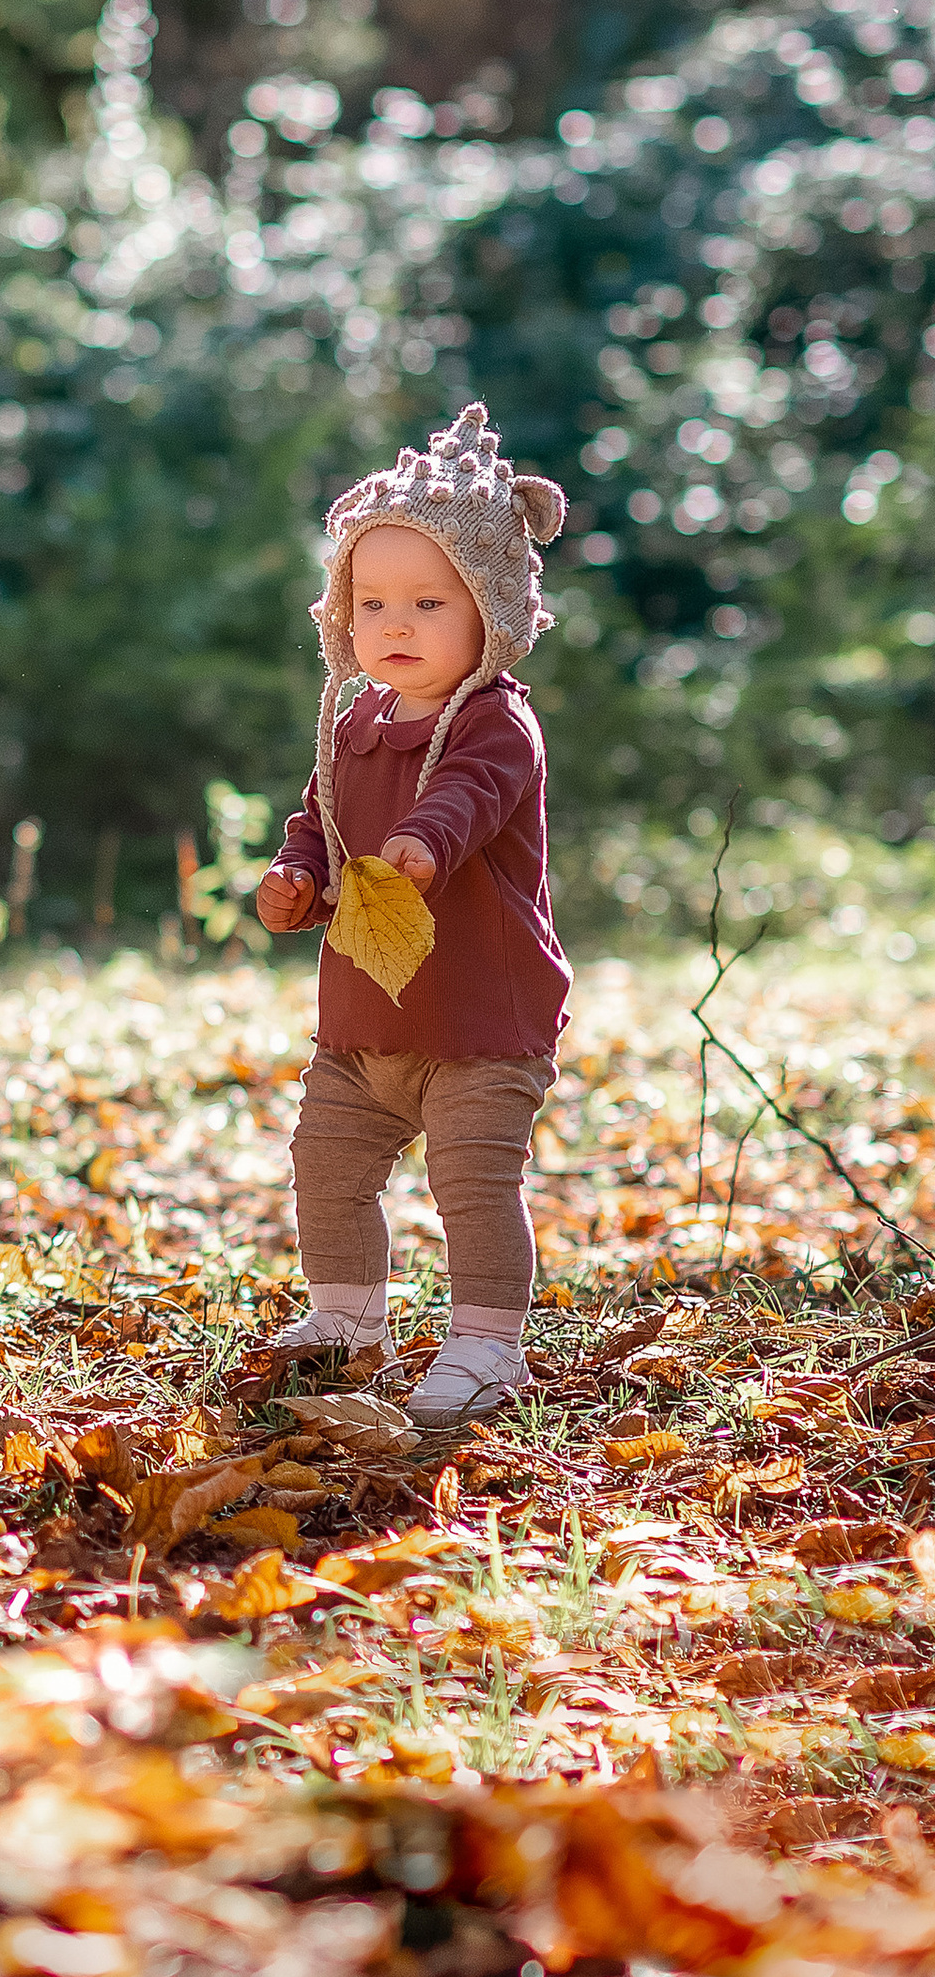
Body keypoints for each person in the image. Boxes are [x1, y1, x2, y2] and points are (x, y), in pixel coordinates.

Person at [252, 403, 572, 1431]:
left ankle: (485, 1345)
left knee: (472, 1182)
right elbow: (320, 820)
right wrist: (297, 875)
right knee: (327, 1165)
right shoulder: (353, 720)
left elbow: (466, 799)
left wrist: (424, 844)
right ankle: (347, 1320)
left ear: (492, 613)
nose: (395, 625)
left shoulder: (496, 721)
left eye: (430, 602)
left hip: (480, 1020)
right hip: (365, 1016)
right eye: (373, 602)